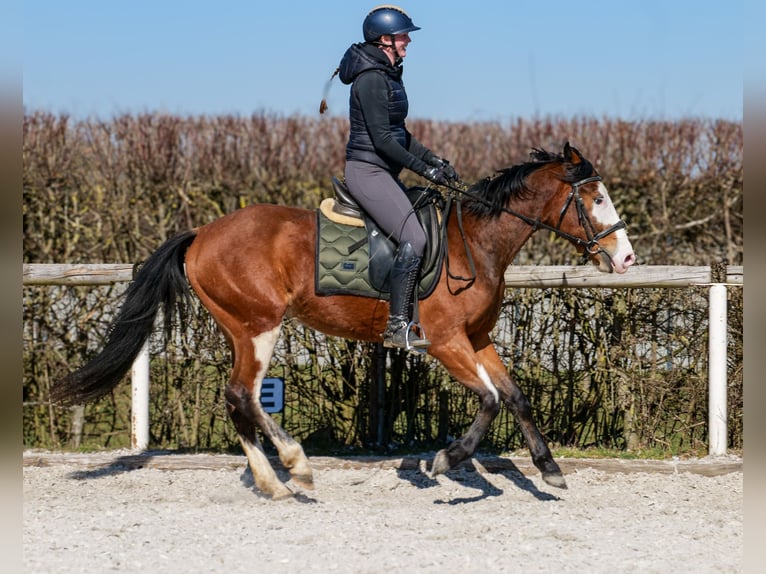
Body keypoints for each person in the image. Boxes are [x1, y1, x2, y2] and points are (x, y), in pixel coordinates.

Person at [336, 5, 459, 351]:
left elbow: (400, 133)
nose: (408, 41)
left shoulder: (388, 73)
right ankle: (397, 325)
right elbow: (383, 141)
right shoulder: (372, 79)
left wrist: (434, 159)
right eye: (403, 35)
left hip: (383, 170)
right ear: (385, 39)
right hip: (367, 170)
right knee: (416, 240)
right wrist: (425, 171)